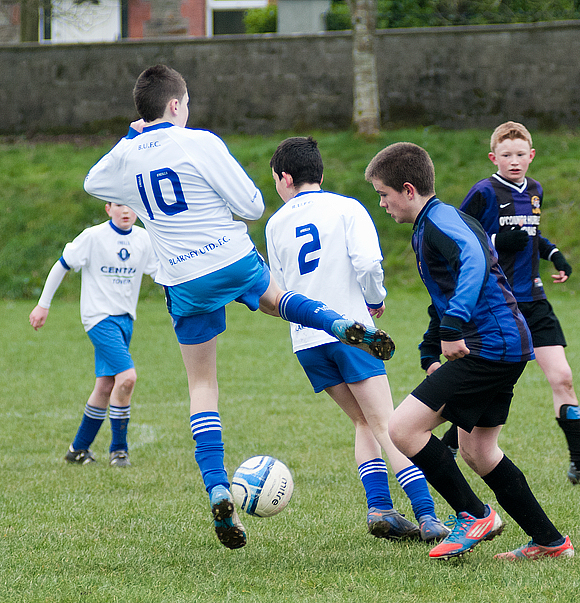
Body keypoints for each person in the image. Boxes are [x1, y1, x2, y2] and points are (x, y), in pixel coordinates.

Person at [82, 64, 394, 550]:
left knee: (202, 383)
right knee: (278, 300)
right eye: (186, 103)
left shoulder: (126, 159)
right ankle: (338, 322)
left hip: (182, 279)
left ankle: (218, 486)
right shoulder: (197, 141)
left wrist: (130, 139)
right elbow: (251, 205)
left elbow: (93, 182)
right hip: (228, 257)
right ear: (175, 106)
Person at [365, 142, 574, 561]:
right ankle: (551, 542)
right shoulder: (430, 224)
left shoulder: (441, 220)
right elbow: (444, 292)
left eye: (384, 195)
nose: (383, 204)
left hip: (489, 346)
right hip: (503, 344)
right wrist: (432, 345)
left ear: (408, 189)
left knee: (403, 429)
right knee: (479, 451)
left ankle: (473, 515)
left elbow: (475, 260)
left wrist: (455, 324)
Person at [265, 136, 448, 542]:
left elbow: (276, 290)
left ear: (285, 178)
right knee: (390, 425)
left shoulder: (275, 224)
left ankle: (380, 507)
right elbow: (366, 262)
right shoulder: (347, 207)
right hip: (351, 332)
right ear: (321, 174)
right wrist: (374, 298)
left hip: (307, 341)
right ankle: (428, 514)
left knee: (363, 421)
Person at [441, 121, 580, 489]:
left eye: (521, 154)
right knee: (481, 385)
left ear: (531, 155)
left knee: (563, 378)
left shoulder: (535, 190)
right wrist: (494, 237)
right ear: (494, 157)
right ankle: (445, 448)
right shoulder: (484, 192)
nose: (514, 161)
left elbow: (530, 234)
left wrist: (555, 254)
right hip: (495, 304)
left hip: (534, 301)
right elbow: (454, 236)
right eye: (507, 155)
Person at [29, 202, 158, 468]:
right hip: (98, 318)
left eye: (131, 205)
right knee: (127, 378)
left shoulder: (144, 238)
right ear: (108, 208)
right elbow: (61, 265)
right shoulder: (93, 237)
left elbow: (159, 272)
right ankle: (119, 450)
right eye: (119, 205)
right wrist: (43, 304)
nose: (126, 211)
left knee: (105, 386)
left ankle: (77, 450)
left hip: (125, 320)